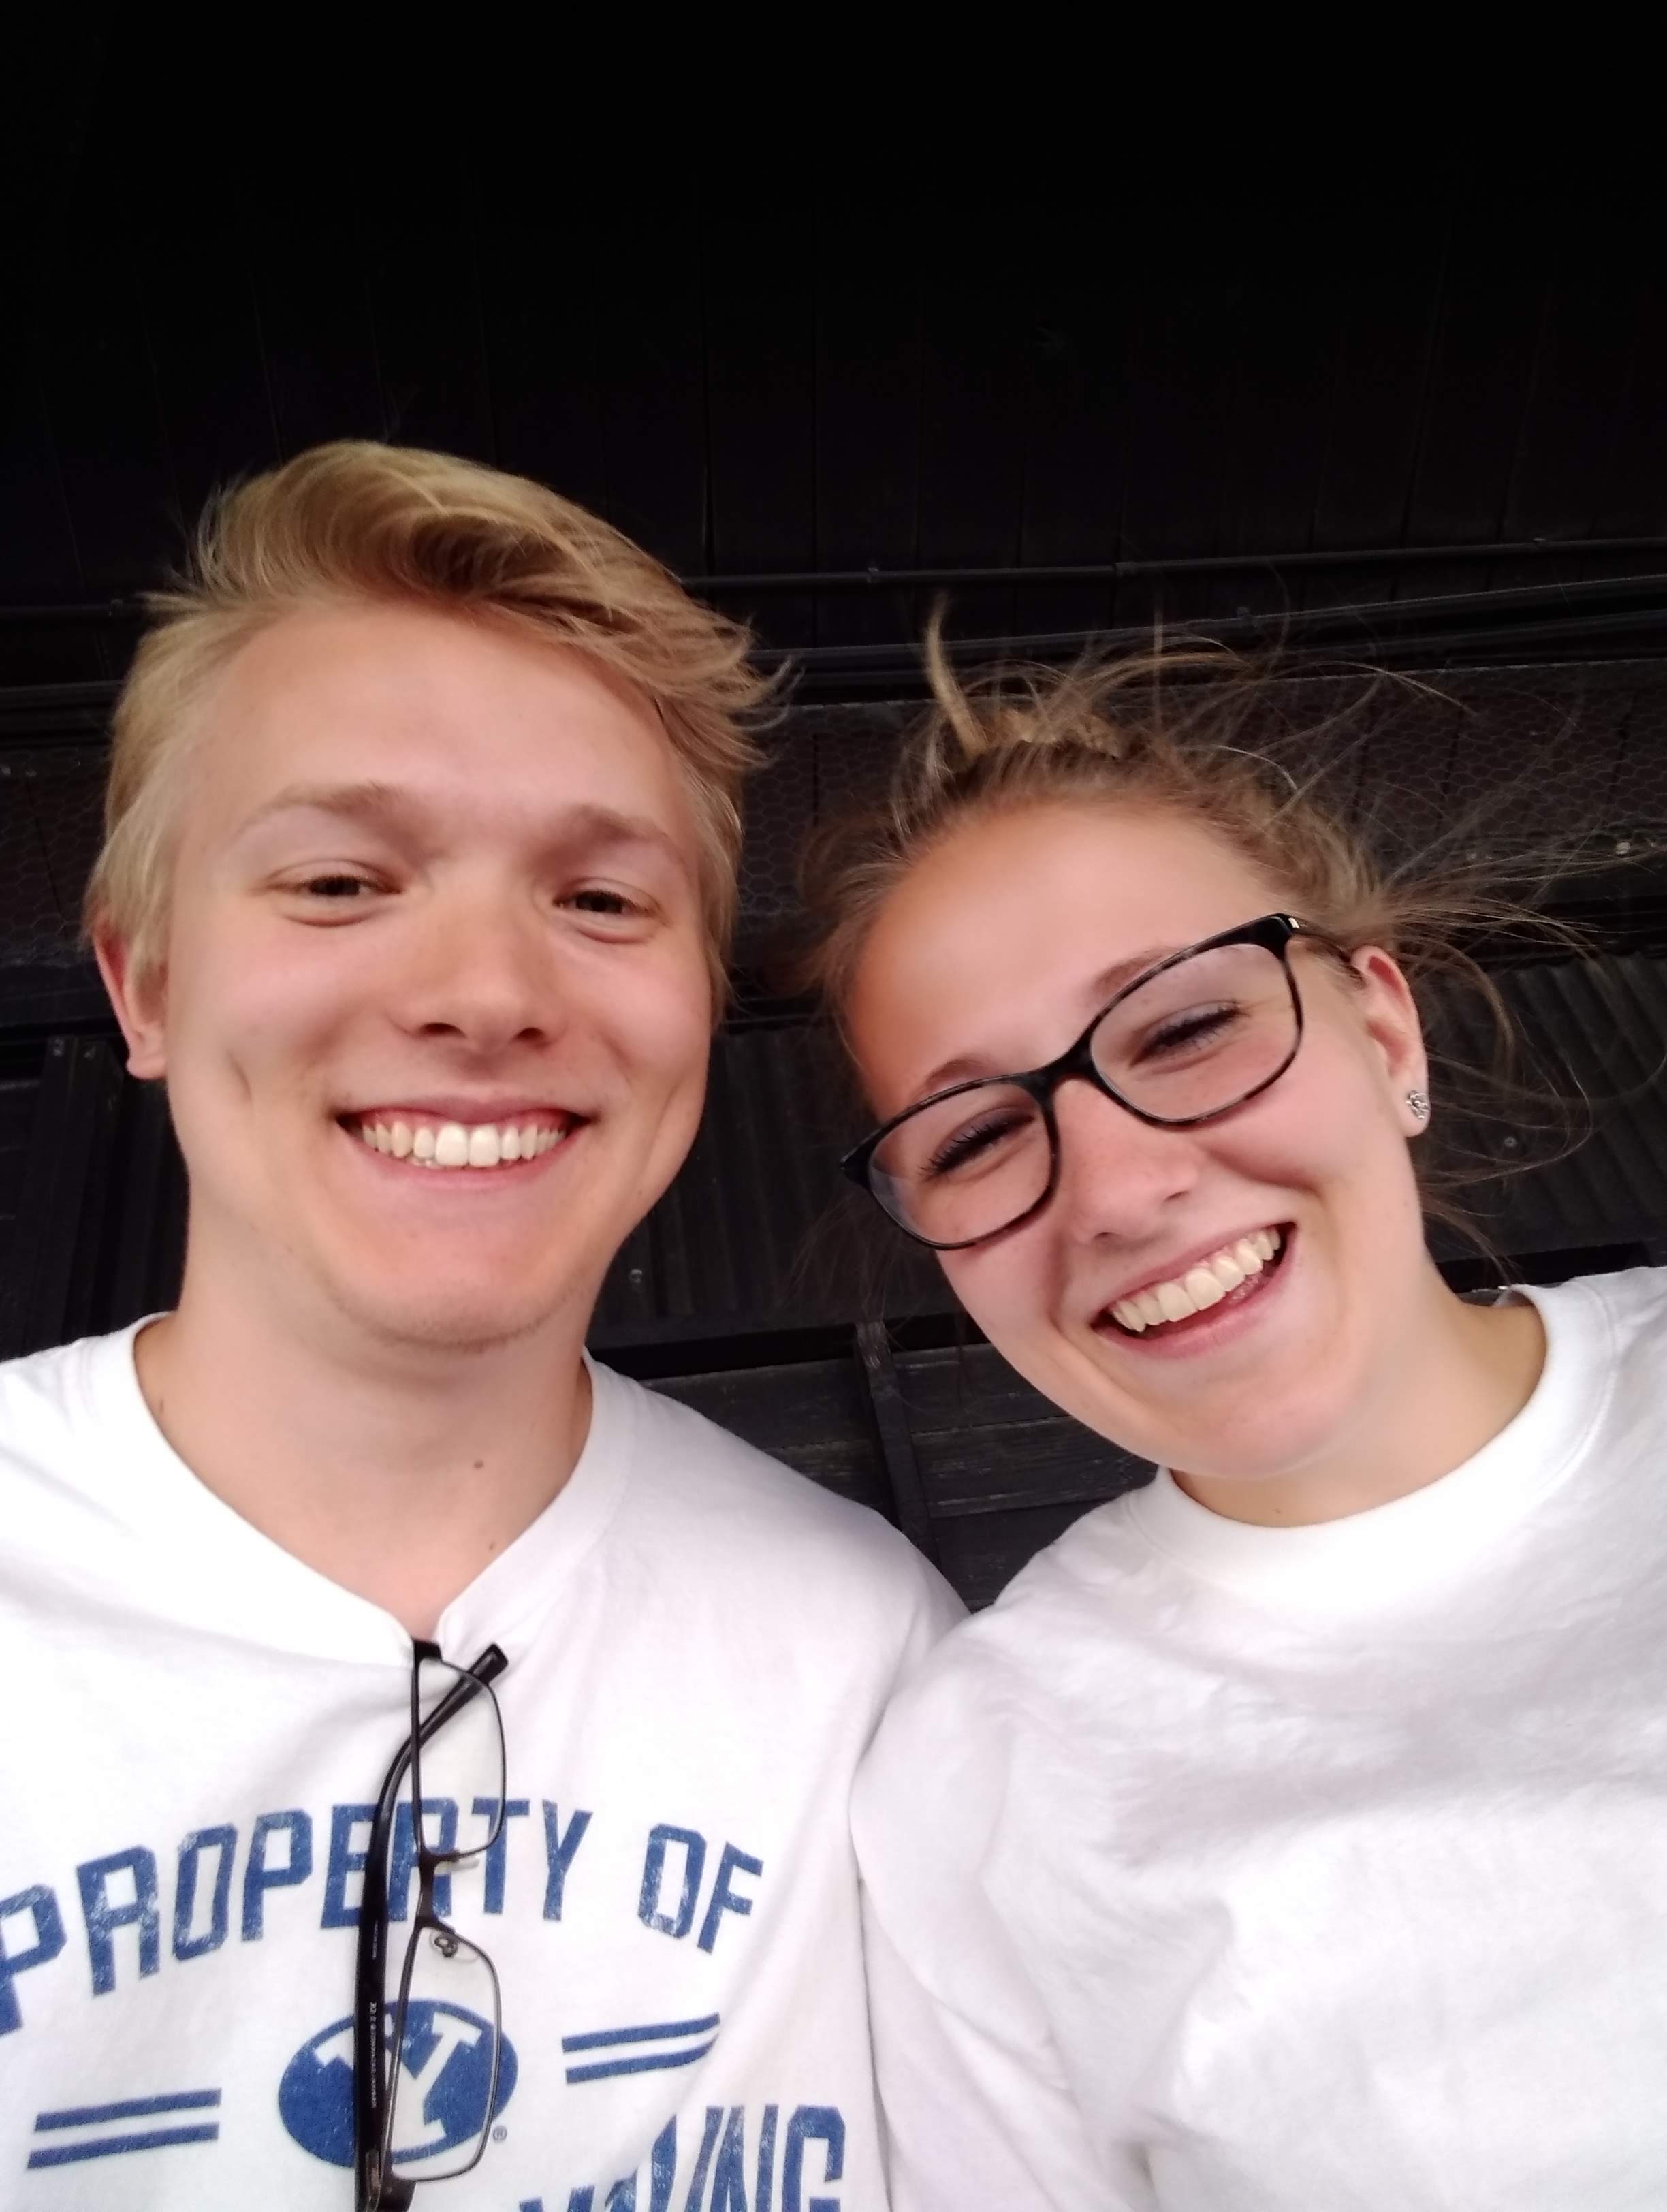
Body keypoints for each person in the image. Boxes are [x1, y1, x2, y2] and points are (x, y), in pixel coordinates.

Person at [0, 443, 959, 2211]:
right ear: (141, 980)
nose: (484, 996)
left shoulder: (876, 1668)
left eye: (601, 900)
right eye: (339, 882)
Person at [800, 643, 1667, 2210]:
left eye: (1187, 1030)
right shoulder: (981, 1783)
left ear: (1385, 1037)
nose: (1123, 1190)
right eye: (984, 1131)